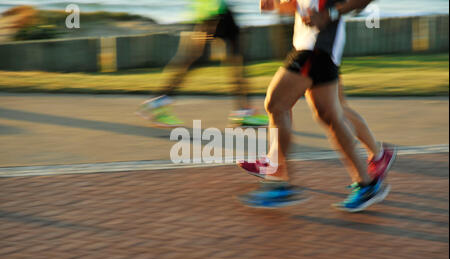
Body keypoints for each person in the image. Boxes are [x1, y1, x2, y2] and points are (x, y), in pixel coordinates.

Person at [238, 0, 395, 211]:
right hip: (315, 48)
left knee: (276, 103)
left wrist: (329, 13)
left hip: (316, 48)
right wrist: (277, 5)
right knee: (330, 116)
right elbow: (300, 5)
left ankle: (278, 181)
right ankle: (367, 184)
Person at [136, 0, 269, 127]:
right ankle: (158, 103)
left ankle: (158, 102)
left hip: (212, 9)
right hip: (214, 10)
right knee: (220, 56)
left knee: (222, 56)